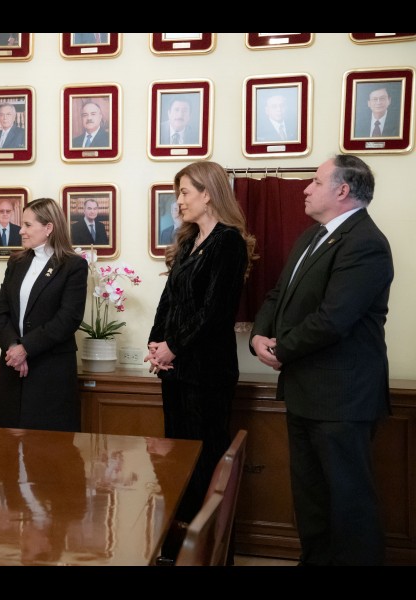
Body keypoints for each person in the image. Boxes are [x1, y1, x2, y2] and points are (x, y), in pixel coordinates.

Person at [249, 154, 393, 565]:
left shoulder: (365, 243)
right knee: (311, 499)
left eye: (315, 181)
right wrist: (258, 335)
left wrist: (281, 350)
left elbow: (333, 319)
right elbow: (278, 294)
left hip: (342, 397)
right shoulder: (311, 236)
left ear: (343, 190)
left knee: (348, 504)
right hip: (304, 392)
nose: (305, 188)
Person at [144, 161, 257, 554]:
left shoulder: (228, 242)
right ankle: (177, 549)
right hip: (176, 371)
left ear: (208, 194)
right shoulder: (189, 241)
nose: (178, 201)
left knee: (206, 463)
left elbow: (214, 313)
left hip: (207, 373)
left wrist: (172, 346)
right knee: (177, 461)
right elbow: (169, 301)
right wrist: (156, 344)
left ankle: (206, 552)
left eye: (185, 192)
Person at [0, 197, 89, 431]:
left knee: (49, 446)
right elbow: (1, 311)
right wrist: (13, 347)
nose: (21, 231)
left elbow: (68, 319)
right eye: (21, 225)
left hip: (50, 369)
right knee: (8, 442)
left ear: (48, 228)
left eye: (27, 225)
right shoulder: (16, 262)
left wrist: (26, 348)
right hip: (13, 366)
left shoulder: (73, 265)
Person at [0, 428, 86, 564]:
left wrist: (10, 430)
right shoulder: (72, 509)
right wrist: (29, 432)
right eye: (26, 549)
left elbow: (0, 454)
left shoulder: (15, 504)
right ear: (46, 546)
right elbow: (68, 453)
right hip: (46, 422)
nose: (21, 542)